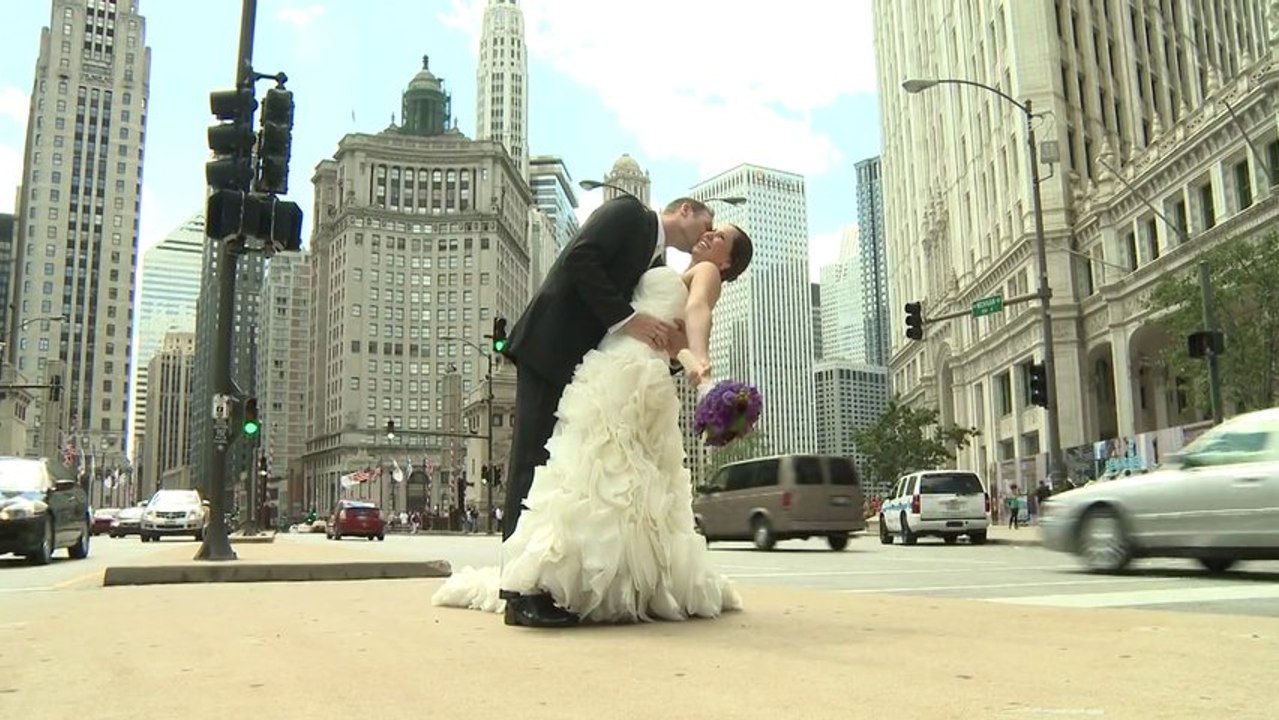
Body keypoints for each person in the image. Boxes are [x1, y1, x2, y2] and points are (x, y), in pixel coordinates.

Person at [432, 216, 754, 627]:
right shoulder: (676, 268)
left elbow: (696, 312)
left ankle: (560, 580)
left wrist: (703, 360)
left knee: (601, 472)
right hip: (617, 364)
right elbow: (673, 341)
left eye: (721, 237)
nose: (710, 235)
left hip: (630, 371)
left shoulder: (706, 273)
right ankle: (577, 578)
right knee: (602, 473)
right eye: (710, 228)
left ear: (726, 263)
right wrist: (692, 363)